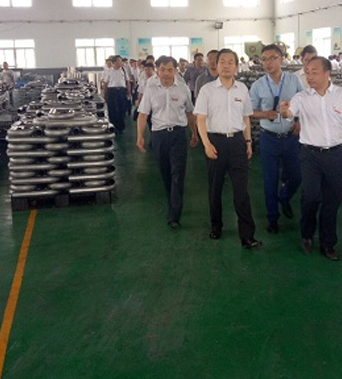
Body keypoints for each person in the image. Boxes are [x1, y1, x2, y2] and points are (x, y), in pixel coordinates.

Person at [279, 57, 342, 261]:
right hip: (310, 155)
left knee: (332, 200)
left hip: (335, 154)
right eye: (307, 72)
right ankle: (307, 235)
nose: (309, 77)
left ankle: (328, 243)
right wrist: (283, 111)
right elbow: (289, 113)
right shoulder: (301, 97)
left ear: (328, 74)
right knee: (310, 196)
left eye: (314, 72)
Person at [194, 49, 260, 249]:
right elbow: (200, 119)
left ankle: (247, 236)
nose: (226, 65)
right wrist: (206, 144)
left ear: (236, 67)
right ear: (216, 65)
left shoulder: (242, 89)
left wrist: (248, 142)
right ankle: (216, 226)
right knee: (215, 188)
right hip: (216, 142)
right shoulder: (207, 90)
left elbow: (246, 118)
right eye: (222, 61)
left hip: (237, 142)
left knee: (241, 191)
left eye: (230, 62)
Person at [136, 56, 198, 228]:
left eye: (170, 70)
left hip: (179, 134)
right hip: (159, 136)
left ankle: (174, 214)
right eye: (162, 70)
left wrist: (194, 133)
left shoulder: (183, 89)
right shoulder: (151, 89)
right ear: (157, 71)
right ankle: (172, 201)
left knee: (178, 173)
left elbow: (190, 113)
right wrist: (140, 136)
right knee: (165, 172)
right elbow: (143, 114)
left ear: (176, 71)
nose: (166, 73)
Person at [249, 44, 304, 234]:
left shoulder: (293, 80)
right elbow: (250, 111)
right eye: (264, 59)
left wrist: (299, 122)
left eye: (272, 58)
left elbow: (303, 102)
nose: (268, 63)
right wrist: (266, 114)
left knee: (296, 176)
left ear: (281, 59)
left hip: (290, 137)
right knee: (270, 180)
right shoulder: (258, 85)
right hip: (269, 138)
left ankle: (285, 196)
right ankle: (272, 218)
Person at [101, 55, 131, 134]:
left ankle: (121, 127)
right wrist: (105, 94)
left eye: (121, 61)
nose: (121, 63)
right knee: (112, 110)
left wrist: (129, 92)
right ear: (114, 62)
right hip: (112, 91)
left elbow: (127, 81)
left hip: (121, 91)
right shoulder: (109, 71)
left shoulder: (123, 70)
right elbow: (105, 83)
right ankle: (113, 127)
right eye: (119, 61)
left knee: (122, 109)